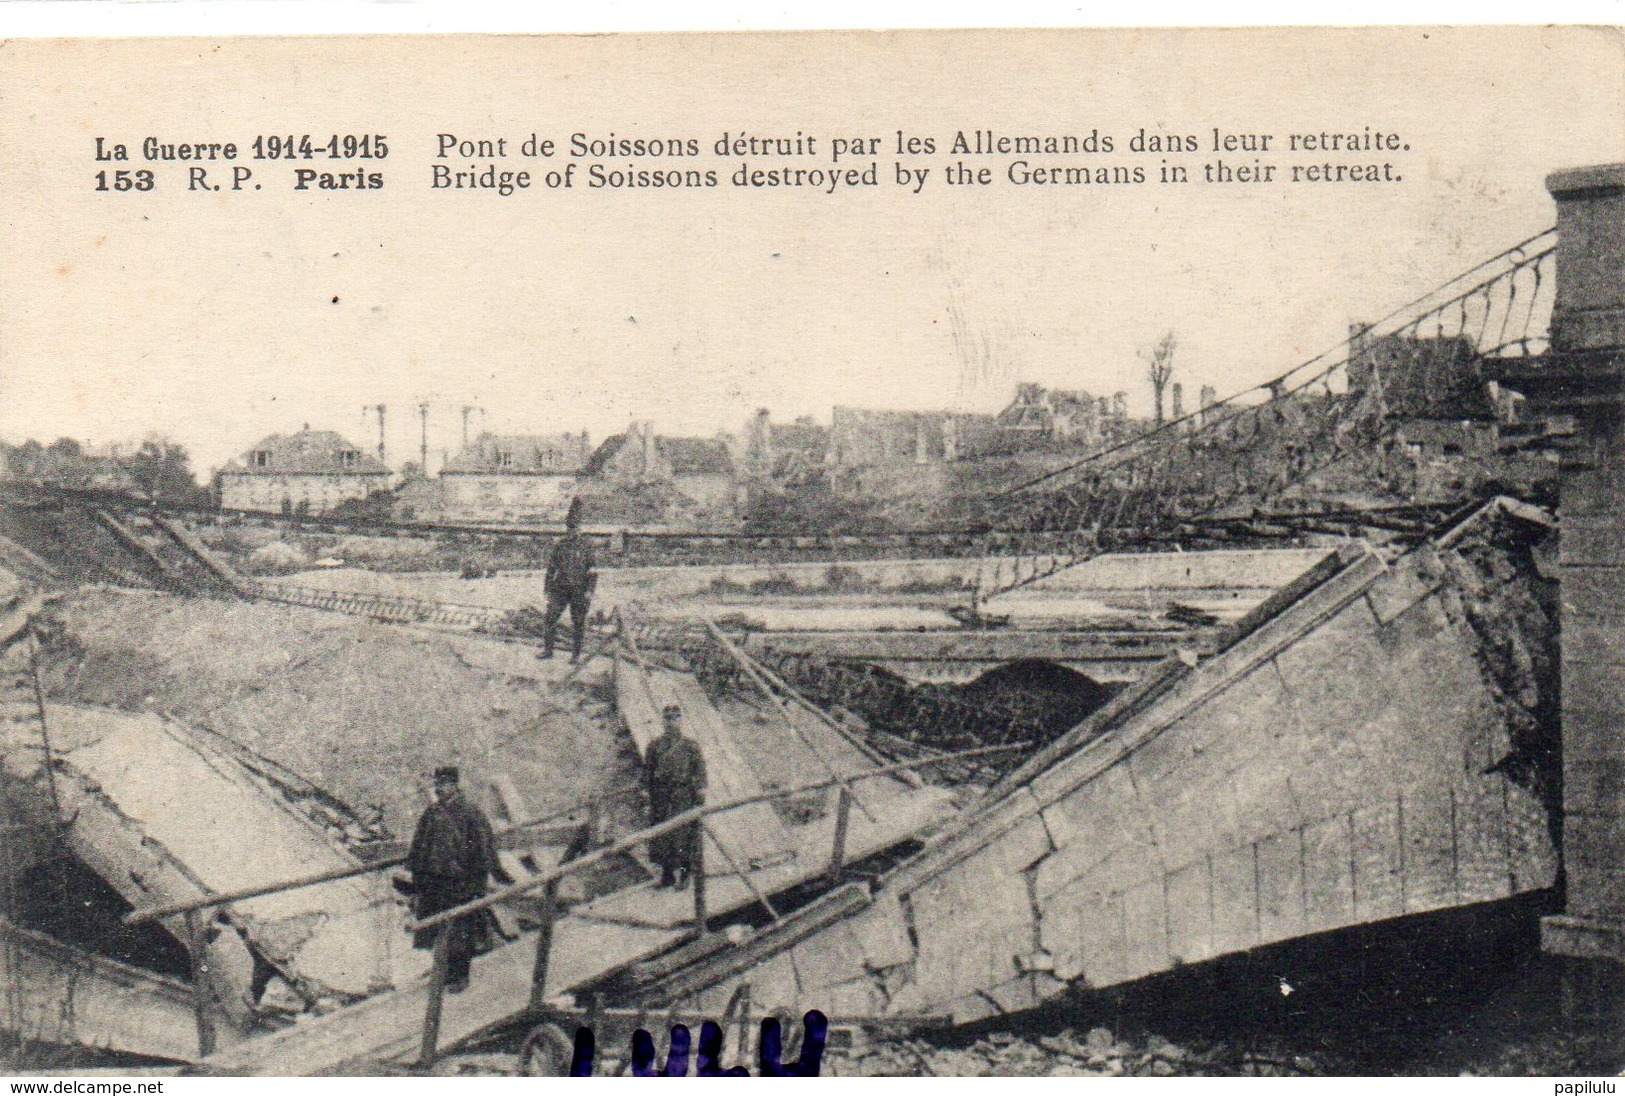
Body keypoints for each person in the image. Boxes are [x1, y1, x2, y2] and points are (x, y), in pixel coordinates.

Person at [404, 766, 512, 994]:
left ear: (455, 785)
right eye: (438, 785)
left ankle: (460, 976)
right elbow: (418, 848)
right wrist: (416, 880)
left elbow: (485, 849)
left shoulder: (470, 813)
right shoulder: (431, 814)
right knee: (437, 929)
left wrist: (489, 874)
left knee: (462, 930)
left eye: (444, 785)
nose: (440, 789)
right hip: (433, 883)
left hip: (461, 884)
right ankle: (442, 972)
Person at [644, 704, 707, 889]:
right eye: (668, 718)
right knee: (663, 833)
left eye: (675, 718)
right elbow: (647, 770)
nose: (672, 722)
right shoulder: (654, 746)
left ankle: (686, 875)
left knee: (684, 833)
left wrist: (701, 789)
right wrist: (645, 789)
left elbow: (700, 769)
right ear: (662, 721)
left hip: (683, 794)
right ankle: (667, 875)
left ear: (681, 720)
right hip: (661, 795)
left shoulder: (690, 745)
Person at [543, 496, 597, 662]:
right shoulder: (560, 545)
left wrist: (589, 590)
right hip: (560, 588)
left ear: (579, 528)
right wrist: (547, 588)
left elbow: (593, 571)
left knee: (578, 623)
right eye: (569, 528)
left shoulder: (586, 546)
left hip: (579, 590)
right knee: (550, 618)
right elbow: (551, 568)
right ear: (567, 529)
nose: (572, 531)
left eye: (575, 528)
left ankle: (575, 655)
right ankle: (548, 651)